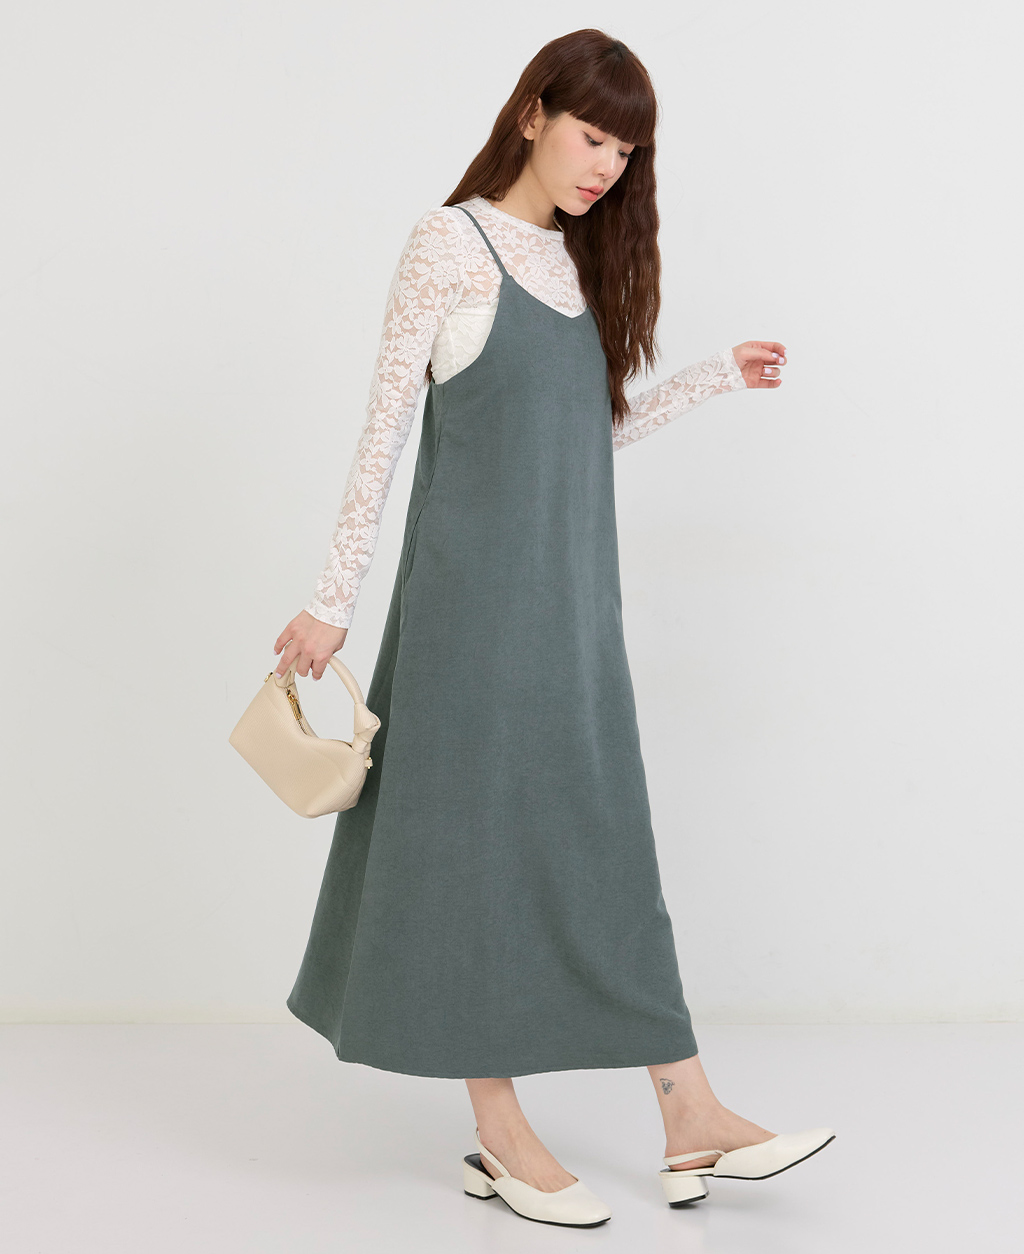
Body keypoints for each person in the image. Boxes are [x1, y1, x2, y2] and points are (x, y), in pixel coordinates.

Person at [273, 28, 834, 1226]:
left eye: (625, 152)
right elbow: (383, 430)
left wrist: (711, 377)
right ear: (532, 113)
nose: (604, 168)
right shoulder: (449, 244)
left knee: (605, 847)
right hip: (468, 618)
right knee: (472, 861)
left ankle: (689, 1115)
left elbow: (582, 434)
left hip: (572, 612)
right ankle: (500, 1134)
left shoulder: (576, 261)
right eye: (592, 137)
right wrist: (332, 599)